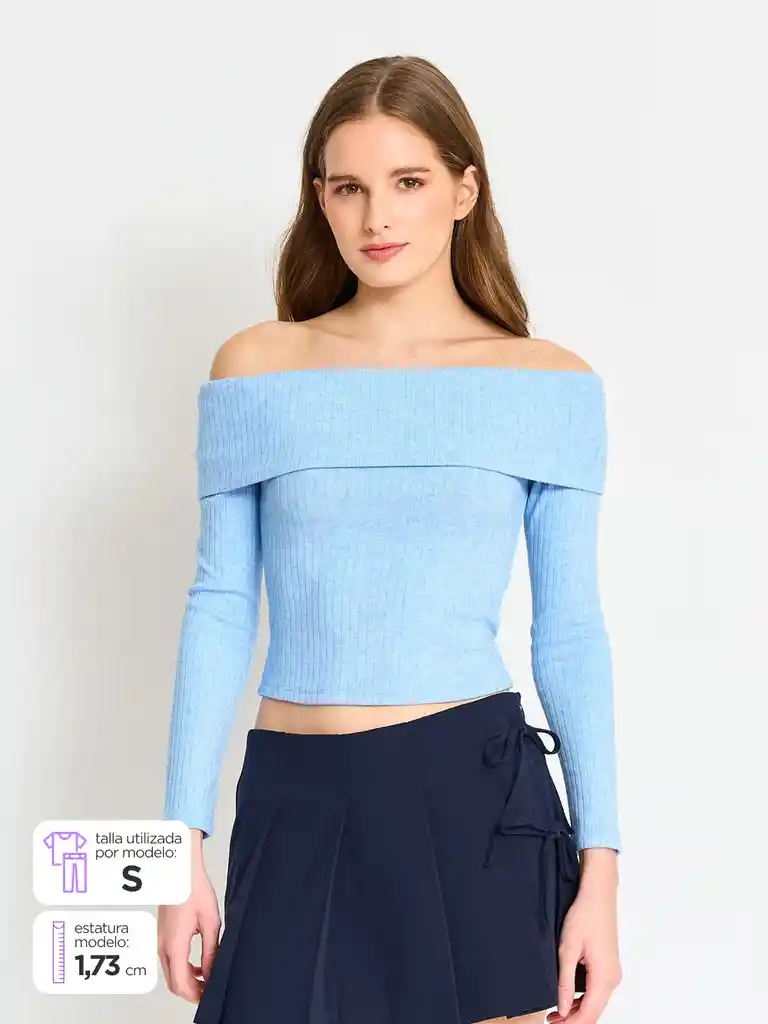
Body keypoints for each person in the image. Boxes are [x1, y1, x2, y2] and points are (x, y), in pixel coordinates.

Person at [157, 54, 623, 1024]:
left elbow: (571, 631)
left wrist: (602, 874)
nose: (377, 217)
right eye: (349, 187)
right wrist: (178, 848)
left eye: (408, 181)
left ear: (464, 190)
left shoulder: (547, 385)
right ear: (319, 198)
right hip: (297, 797)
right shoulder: (257, 369)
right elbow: (220, 606)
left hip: (472, 801)